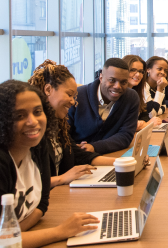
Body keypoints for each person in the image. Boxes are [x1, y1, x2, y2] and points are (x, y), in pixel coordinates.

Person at [0, 80, 99, 248]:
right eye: (19, 116)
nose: (33, 122)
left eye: (37, 112)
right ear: (0, 120)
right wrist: (59, 232)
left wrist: (13, 234)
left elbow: (42, 203)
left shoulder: (37, 145)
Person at [28, 60, 116, 188]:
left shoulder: (57, 125)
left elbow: (80, 155)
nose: (73, 102)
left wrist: (123, 162)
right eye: (69, 95)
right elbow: (27, 184)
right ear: (48, 89)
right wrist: (62, 178)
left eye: (74, 96)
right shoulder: (32, 132)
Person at [69, 58, 140, 154]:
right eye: (112, 80)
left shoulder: (131, 97)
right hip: (78, 156)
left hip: (111, 155)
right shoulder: (77, 96)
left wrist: (95, 147)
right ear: (101, 78)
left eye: (123, 82)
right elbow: (64, 135)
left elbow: (125, 135)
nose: (117, 86)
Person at [122, 55, 162, 131]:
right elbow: (123, 126)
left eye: (141, 71)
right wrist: (147, 124)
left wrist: (142, 123)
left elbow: (145, 115)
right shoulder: (117, 94)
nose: (138, 74)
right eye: (133, 70)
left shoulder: (136, 92)